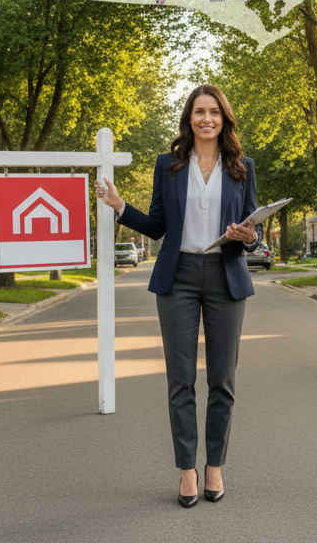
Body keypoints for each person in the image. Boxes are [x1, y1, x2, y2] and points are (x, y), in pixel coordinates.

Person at [95, 84, 261, 508]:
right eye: (199, 111)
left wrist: (248, 236)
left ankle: (215, 466)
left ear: (224, 119)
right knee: (180, 379)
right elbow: (156, 226)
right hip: (179, 277)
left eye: (215, 112)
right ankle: (187, 469)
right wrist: (119, 205)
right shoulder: (168, 165)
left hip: (226, 276)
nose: (207, 119)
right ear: (189, 117)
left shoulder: (242, 166)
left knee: (222, 380)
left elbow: (251, 234)